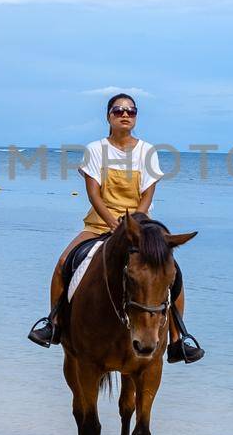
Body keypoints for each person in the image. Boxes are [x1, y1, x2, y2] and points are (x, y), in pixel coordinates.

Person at [27, 92, 203, 361]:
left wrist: (133, 226)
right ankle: (54, 323)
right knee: (64, 262)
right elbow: (94, 194)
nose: (124, 115)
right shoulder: (96, 150)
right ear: (108, 116)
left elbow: (147, 196)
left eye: (130, 111)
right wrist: (114, 224)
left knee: (174, 272)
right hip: (99, 224)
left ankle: (178, 339)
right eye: (118, 110)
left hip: (141, 230)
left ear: (135, 117)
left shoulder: (147, 151)